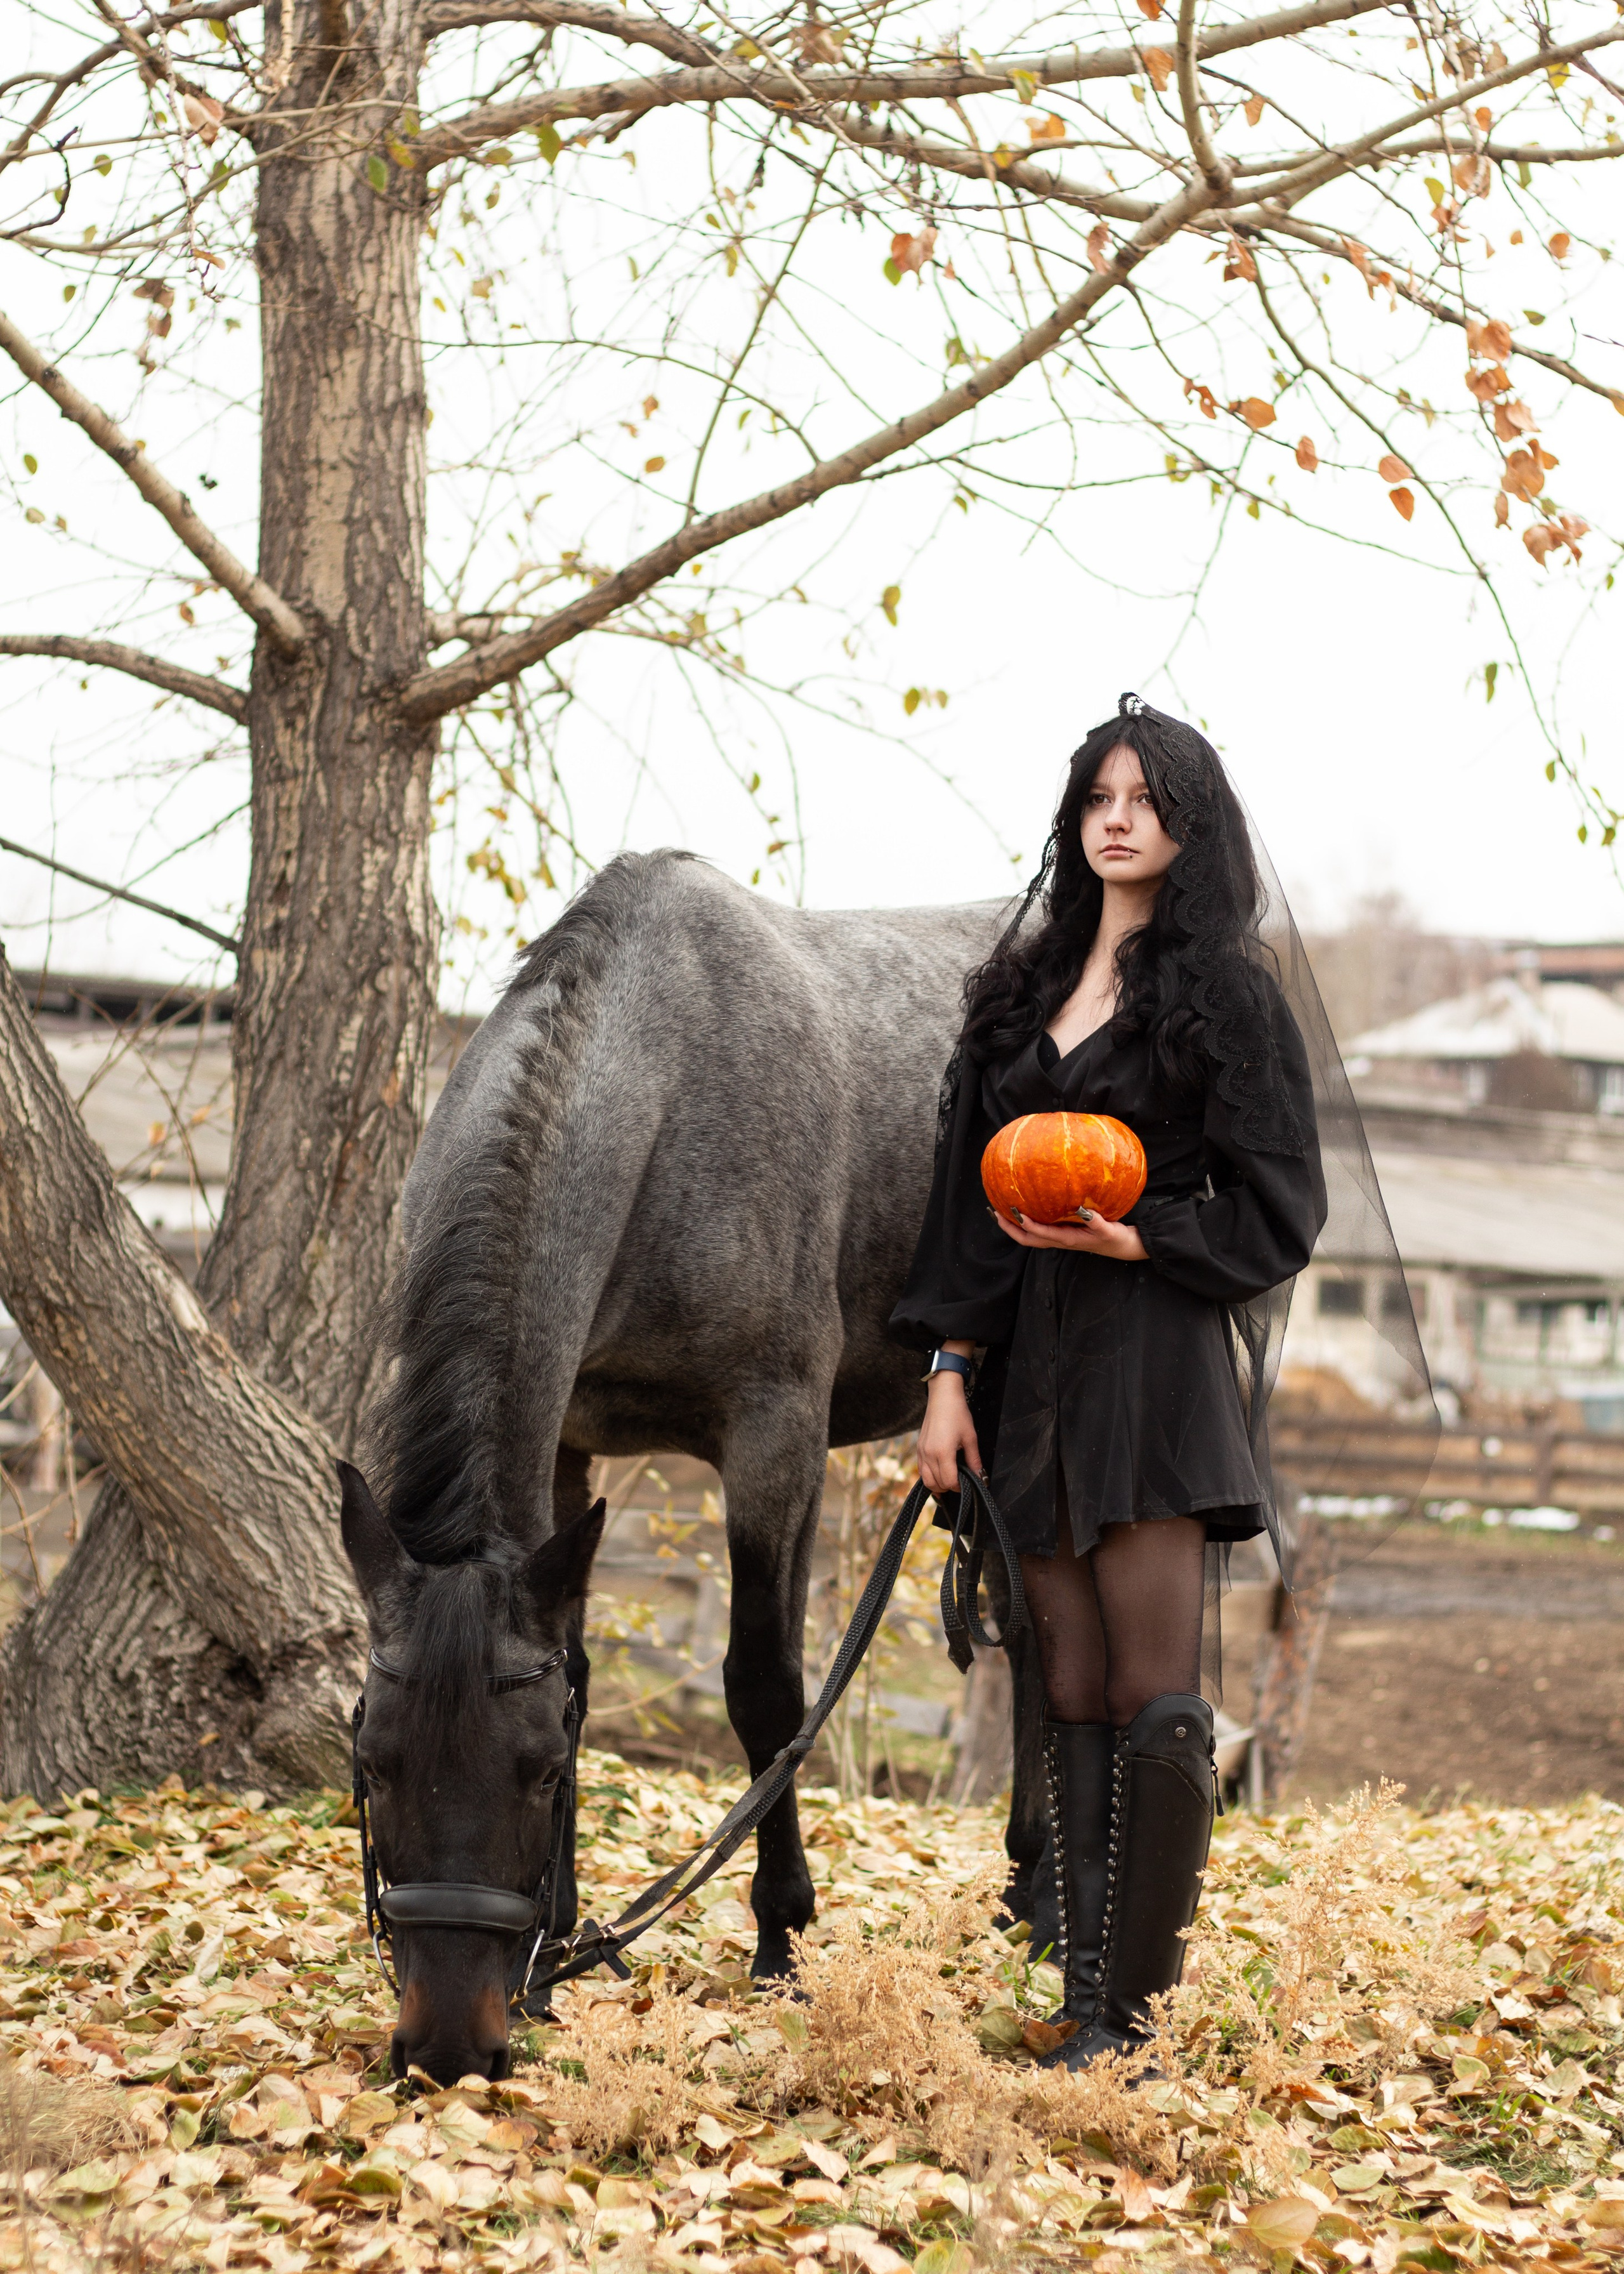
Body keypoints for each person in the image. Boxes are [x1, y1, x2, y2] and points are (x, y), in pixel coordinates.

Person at [891, 694, 1328, 2071]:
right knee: (1064, 1679)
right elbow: (964, 1215)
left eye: (1143, 797)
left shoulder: (1222, 993)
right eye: (1097, 797)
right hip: (1024, 1369)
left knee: (1152, 1693)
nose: (1117, 817)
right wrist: (946, 1375)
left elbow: (1281, 1204)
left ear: (1188, 824)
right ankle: (1079, 1995)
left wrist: (1142, 1233)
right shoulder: (1020, 992)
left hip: (1150, 1360)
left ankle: (1133, 2018)